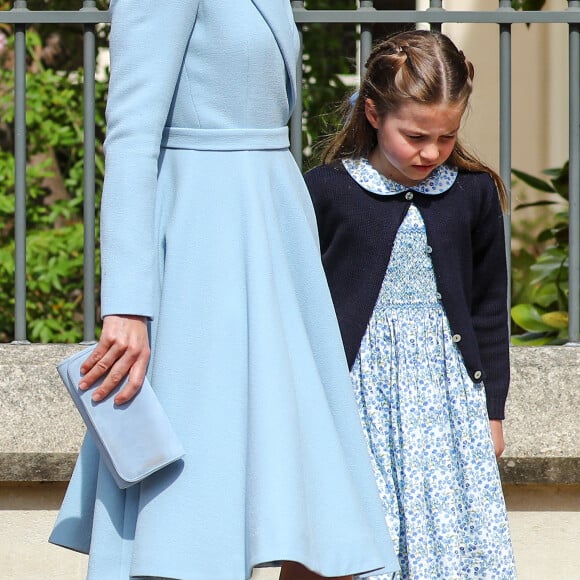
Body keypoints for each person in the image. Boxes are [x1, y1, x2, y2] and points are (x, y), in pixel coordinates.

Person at [48, 2, 400, 579]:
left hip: (270, 231)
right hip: (200, 244)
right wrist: (128, 304)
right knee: (193, 497)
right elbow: (131, 135)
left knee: (317, 503)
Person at [304, 30, 517, 579]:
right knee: (354, 536)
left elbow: (490, 307)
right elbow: (298, 304)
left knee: (446, 536)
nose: (431, 152)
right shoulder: (325, 190)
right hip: (356, 395)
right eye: (416, 135)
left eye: (446, 137)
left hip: (446, 397)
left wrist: (492, 411)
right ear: (373, 113)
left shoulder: (471, 193)